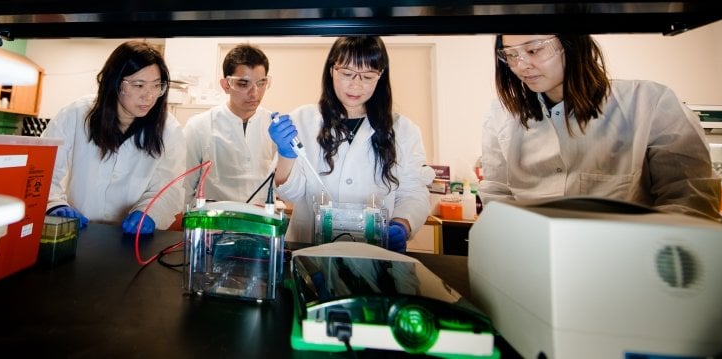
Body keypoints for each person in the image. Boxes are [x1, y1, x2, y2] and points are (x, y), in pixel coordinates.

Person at [480, 34, 720, 220]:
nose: (522, 66)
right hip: (532, 261)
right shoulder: (502, 117)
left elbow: (690, 201)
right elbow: (497, 195)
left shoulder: (650, 103)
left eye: (534, 50)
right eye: (511, 55)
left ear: (571, 44)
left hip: (628, 263)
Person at [268, 36, 431, 252]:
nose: (356, 84)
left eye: (367, 76)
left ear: (380, 76)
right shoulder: (303, 120)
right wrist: (286, 155)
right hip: (309, 251)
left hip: (376, 257)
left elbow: (414, 193)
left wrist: (403, 224)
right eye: (346, 73)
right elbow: (290, 195)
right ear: (331, 70)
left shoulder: (404, 130)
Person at [41, 40, 187, 234]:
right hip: (77, 232)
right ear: (115, 82)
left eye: (156, 86)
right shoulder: (76, 114)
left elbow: (170, 187)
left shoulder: (169, 129)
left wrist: (150, 213)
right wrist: (54, 205)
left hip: (131, 241)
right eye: (139, 85)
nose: (149, 96)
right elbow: (43, 169)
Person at [183, 44, 276, 205]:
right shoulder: (199, 126)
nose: (254, 93)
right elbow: (183, 188)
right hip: (213, 224)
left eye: (261, 83)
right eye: (243, 84)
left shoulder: (275, 126)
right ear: (226, 85)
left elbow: (288, 184)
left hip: (261, 224)